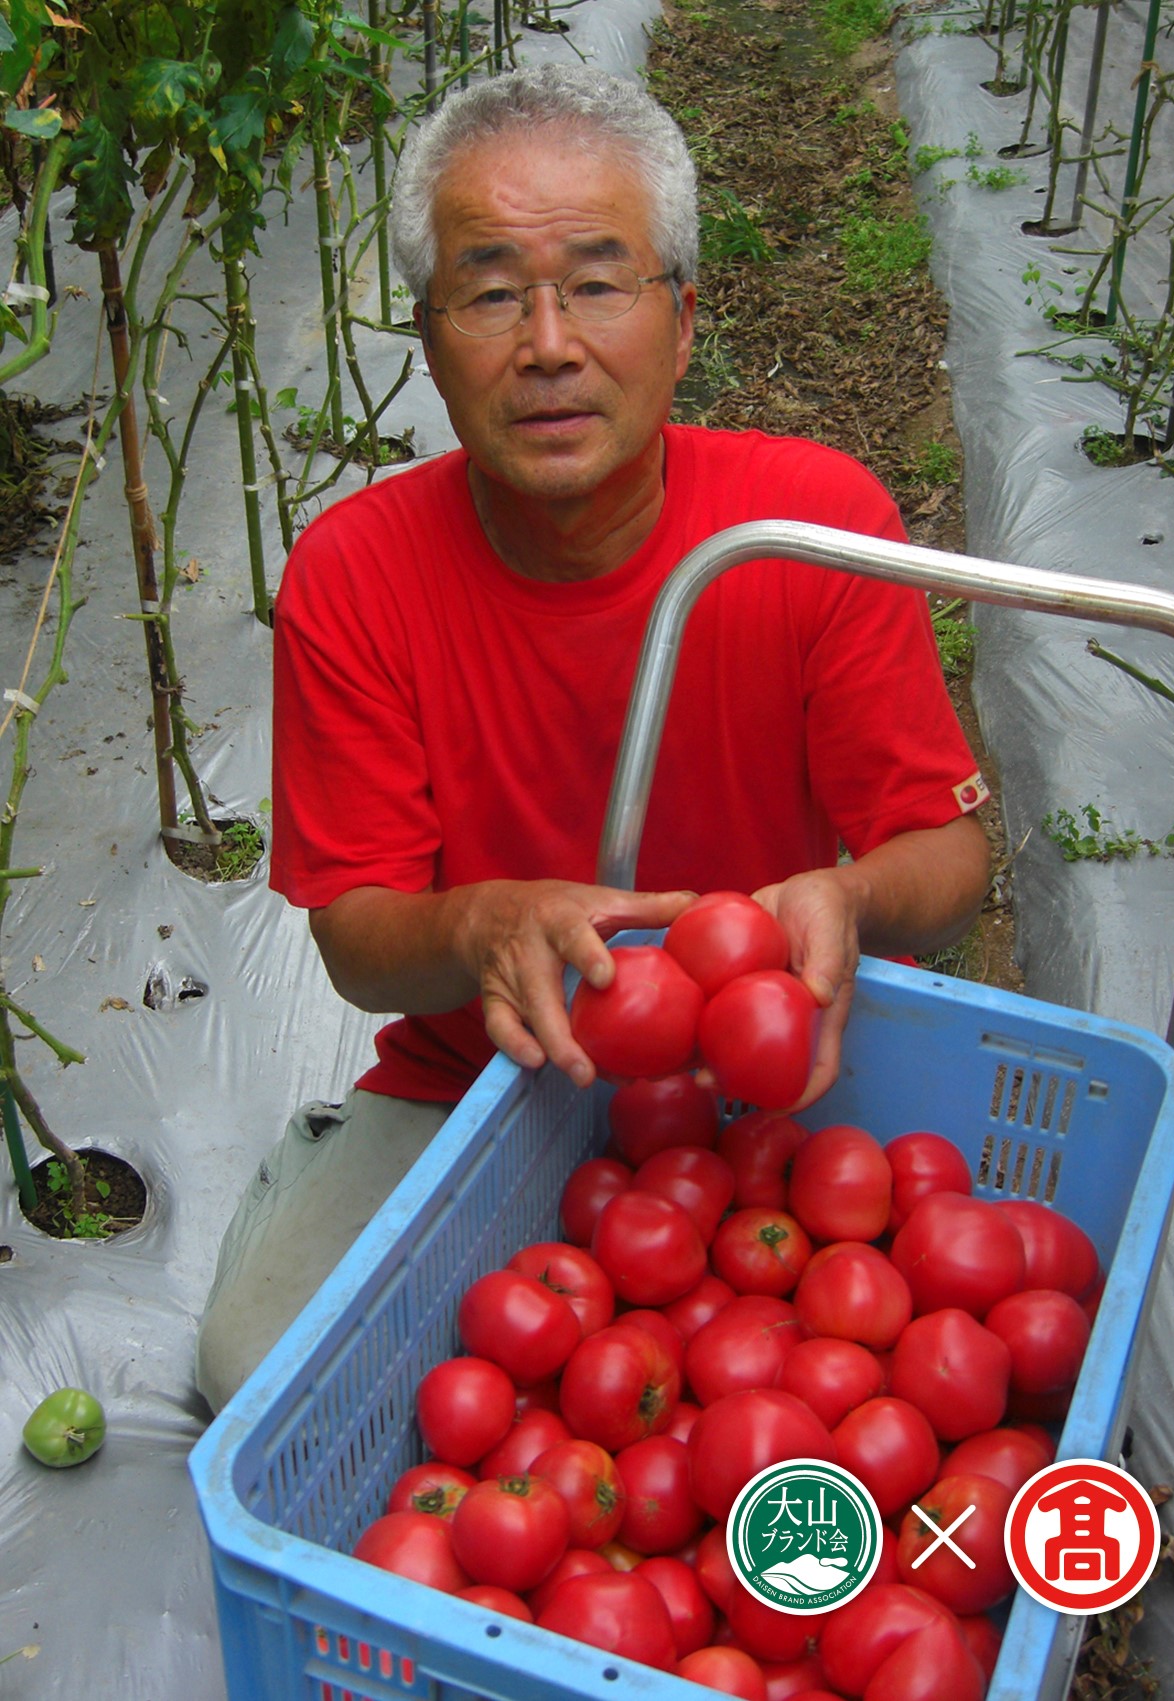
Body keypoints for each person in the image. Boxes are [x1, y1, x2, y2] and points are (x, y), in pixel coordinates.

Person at [194, 63, 991, 1413]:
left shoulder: (803, 527)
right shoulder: (354, 574)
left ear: (680, 324)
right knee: (256, 1375)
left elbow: (948, 851)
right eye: (491, 290)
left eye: (600, 283)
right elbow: (355, 930)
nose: (548, 342)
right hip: (480, 1084)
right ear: (431, 338)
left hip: (765, 1082)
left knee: (910, 1345)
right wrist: (480, 924)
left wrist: (848, 893)